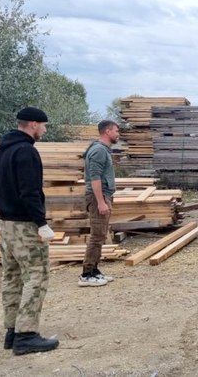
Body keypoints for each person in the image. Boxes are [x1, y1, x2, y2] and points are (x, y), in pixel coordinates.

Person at [0, 107, 59, 355]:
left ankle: (12, 331)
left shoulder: (3, 150)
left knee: (12, 276)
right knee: (36, 276)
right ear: (33, 124)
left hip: (6, 224)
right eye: (44, 125)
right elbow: (30, 192)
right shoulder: (26, 152)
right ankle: (26, 335)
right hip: (24, 225)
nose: (45, 130)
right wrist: (41, 223)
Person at [79, 120, 120, 287]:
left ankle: (94, 270)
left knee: (101, 234)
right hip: (98, 197)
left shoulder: (102, 150)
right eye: (116, 131)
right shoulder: (99, 151)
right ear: (107, 131)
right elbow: (94, 178)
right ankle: (86, 274)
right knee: (96, 236)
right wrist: (101, 202)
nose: (118, 134)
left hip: (102, 196)